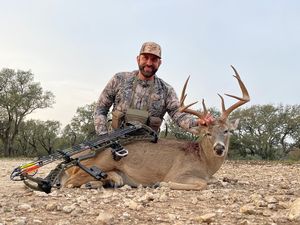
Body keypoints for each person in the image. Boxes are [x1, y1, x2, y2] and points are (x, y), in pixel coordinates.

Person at [94, 42, 213, 135]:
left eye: (154, 59)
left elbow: (179, 115)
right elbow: (100, 109)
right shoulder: (119, 79)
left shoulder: (166, 90)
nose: (149, 63)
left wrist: (198, 122)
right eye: (145, 57)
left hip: (149, 148)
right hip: (116, 142)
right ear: (138, 59)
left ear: (159, 63)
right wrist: (103, 136)